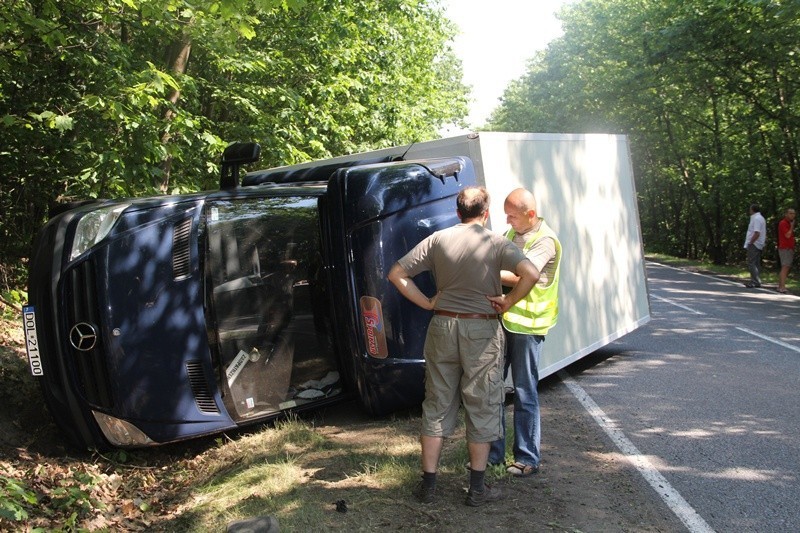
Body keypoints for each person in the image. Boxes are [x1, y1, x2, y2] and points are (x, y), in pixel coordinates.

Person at [387, 186, 540, 507]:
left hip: (442, 326)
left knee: (437, 403)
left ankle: (428, 485)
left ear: (458, 212)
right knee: (482, 404)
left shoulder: (437, 240)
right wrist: (508, 301)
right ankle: (477, 489)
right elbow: (532, 273)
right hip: (481, 330)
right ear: (486, 214)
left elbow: (397, 274)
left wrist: (428, 303)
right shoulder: (496, 242)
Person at [488, 187, 561, 477]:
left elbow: (521, 275)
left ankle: (527, 458)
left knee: (524, 391)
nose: (507, 221)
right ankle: (492, 455)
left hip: (528, 327)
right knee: (492, 389)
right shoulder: (511, 235)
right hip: (504, 322)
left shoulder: (545, 240)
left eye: (512, 216)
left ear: (530, 214)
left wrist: (486, 269)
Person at [743, 203, 767, 288]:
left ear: (752, 210)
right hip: (759, 243)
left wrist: (750, 242)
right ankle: (756, 280)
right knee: (756, 263)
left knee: (751, 262)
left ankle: (755, 281)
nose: (749, 211)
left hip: (754, 243)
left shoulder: (756, 219)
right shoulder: (761, 218)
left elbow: (757, 232)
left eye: (750, 209)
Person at [777, 207, 796, 294]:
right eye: (790, 213)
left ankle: (780, 286)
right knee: (785, 266)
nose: (792, 215)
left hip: (789, 248)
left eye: (793, 214)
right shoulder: (783, 223)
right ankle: (782, 287)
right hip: (785, 248)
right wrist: (792, 226)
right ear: (786, 214)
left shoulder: (788, 223)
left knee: (786, 267)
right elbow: (787, 235)